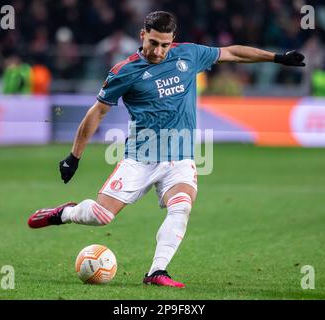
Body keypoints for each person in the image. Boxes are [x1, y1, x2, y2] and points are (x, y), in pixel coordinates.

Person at [27, 11, 305, 288]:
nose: (158, 51)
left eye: (164, 44)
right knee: (101, 216)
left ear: (173, 40)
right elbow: (96, 113)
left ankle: (157, 271)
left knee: (181, 207)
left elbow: (232, 53)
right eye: (153, 43)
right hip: (140, 158)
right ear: (142, 36)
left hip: (181, 158)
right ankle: (64, 213)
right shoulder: (124, 71)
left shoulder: (189, 55)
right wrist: (74, 157)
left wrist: (277, 58)